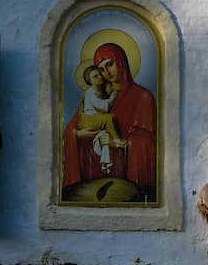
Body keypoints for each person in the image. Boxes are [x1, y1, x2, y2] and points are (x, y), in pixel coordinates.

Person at [62, 42, 156, 195]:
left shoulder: (142, 96)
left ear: (121, 63)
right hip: (93, 176)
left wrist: (118, 144)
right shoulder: (98, 93)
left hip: (124, 177)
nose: (106, 72)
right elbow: (71, 130)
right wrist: (79, 135)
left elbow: (147, 142)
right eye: (100, 69)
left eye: (109, 64)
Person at [77, 65, 126, 173]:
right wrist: (113, 96)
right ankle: (117, 140)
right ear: (90, 81)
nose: (100, 77)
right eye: (95, 76)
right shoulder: (90, 92)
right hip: (89, 120)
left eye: (99, 74)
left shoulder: (98, 89)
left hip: (94, 118)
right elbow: (103, 107)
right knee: (108, 118)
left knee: (110, 118)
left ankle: (109, 156)